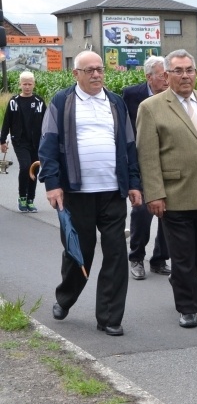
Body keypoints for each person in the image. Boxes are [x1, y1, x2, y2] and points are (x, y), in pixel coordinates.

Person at [38, 51, 142, 336]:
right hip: (76, 192)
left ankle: (109, 317)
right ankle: (66, 297)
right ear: (76, 74)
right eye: (90, 70)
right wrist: (52, 184)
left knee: (116, 254)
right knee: (78, 252)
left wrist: (134, 183)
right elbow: (48, 145)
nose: (96, 74)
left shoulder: (116, 102)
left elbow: (130, 145)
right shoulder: (62, 101)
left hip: (111, 191)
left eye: (100, 69)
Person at [135, 50, 197, 329]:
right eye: (178, 71)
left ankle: (182, 279)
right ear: (166, 75)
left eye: (189, 70)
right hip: (174, 195)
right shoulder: (151, 107)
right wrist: (155, 194)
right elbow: (147, 155)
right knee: (183, 255)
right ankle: (187, 306)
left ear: (196, 73)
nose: (185, 75)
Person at [122, 56, 171, 280]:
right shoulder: (132, 95)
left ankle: (160, 258)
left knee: (169, 212)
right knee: (142, 211)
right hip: (142, 160)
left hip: (170, 161)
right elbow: (124, 128)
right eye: (163, 76)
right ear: (149, 77)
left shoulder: (176, 95)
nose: (167, 80)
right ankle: (136, 258)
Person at [1, 71, 46, 213]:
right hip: (19, 141)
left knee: (34, 168)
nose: (27, 87)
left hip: (37, 141)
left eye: (30, 84)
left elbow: (47, 122)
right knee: (25, 166)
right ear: (20, 84)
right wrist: (2, 141)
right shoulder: (14, 102)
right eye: (24, 84)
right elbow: (6, 122)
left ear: (34, 84)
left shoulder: (39, 102)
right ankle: (22, 197)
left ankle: (30, 199)